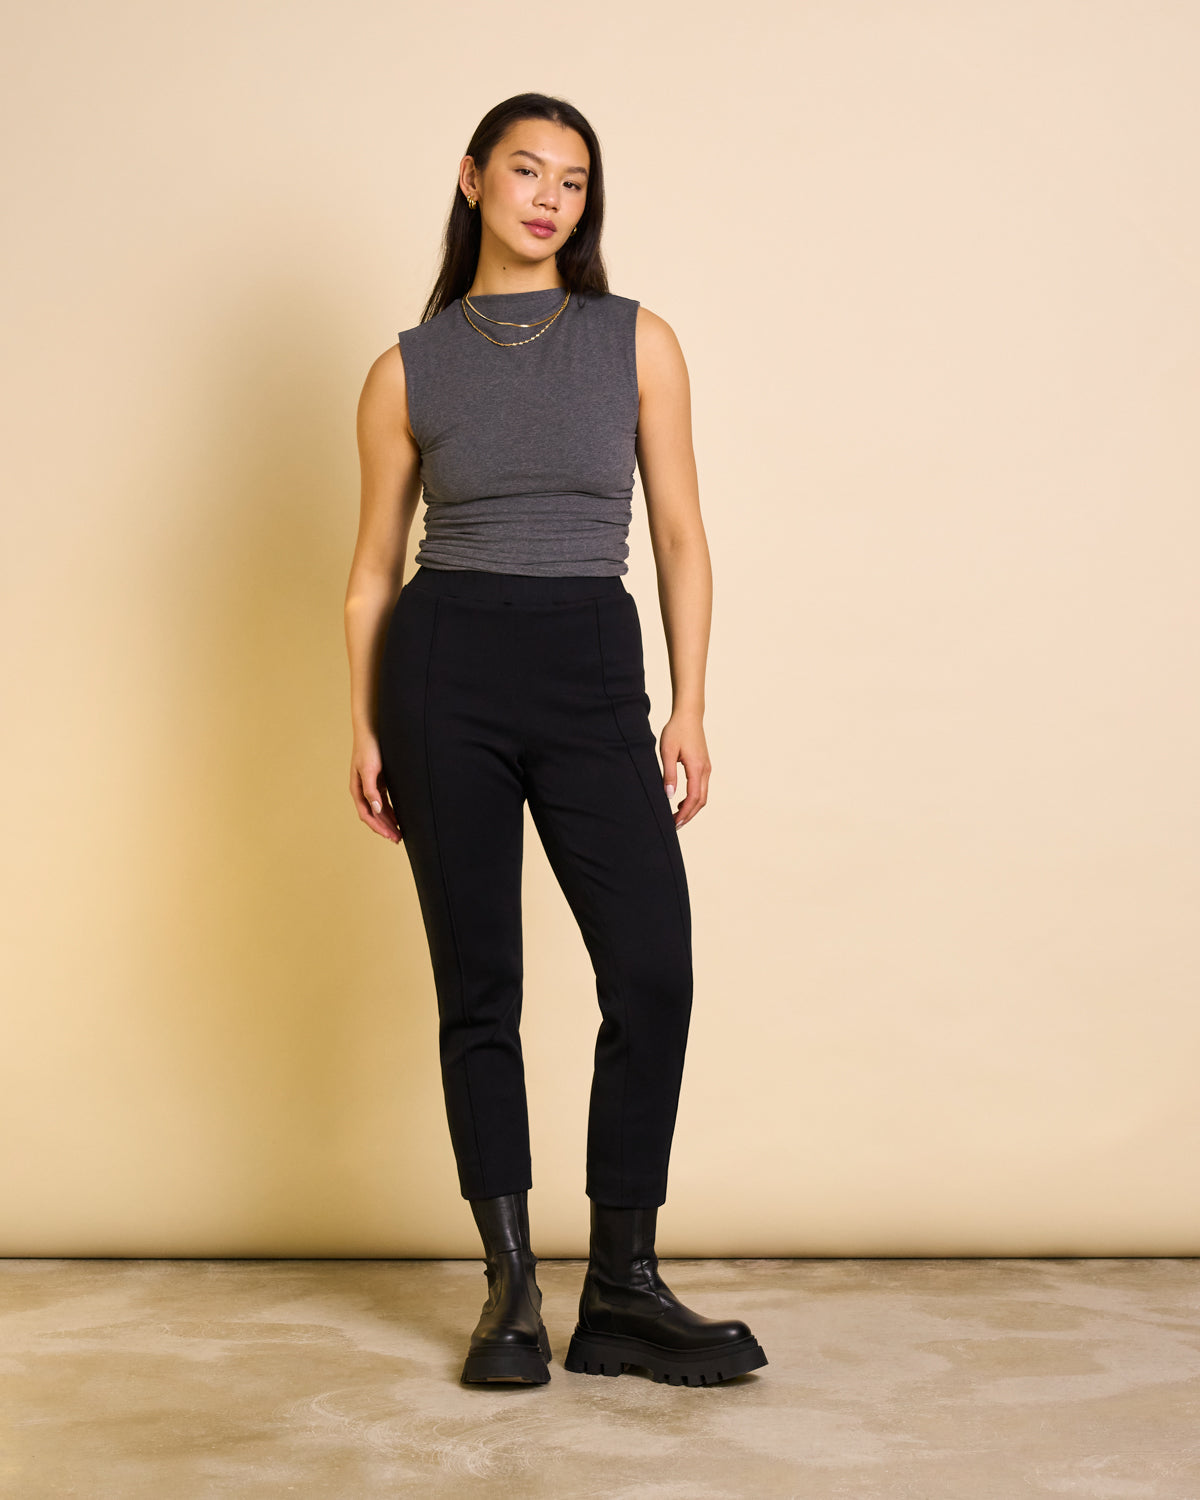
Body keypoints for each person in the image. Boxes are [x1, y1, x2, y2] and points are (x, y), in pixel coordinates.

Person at [344, 92, 767, 1389]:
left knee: (654, 967)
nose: (548, 197)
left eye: (573, 182)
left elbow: (684, 536)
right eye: (525, 170)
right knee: (481, 988)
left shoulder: (635, 342)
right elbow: (370, 570)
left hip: (589, 658)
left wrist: (688, 703)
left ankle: (624, 1290)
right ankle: (511, 1291)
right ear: (472, 180)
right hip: (442, 665)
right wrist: (360, 720)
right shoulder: (407, 366)